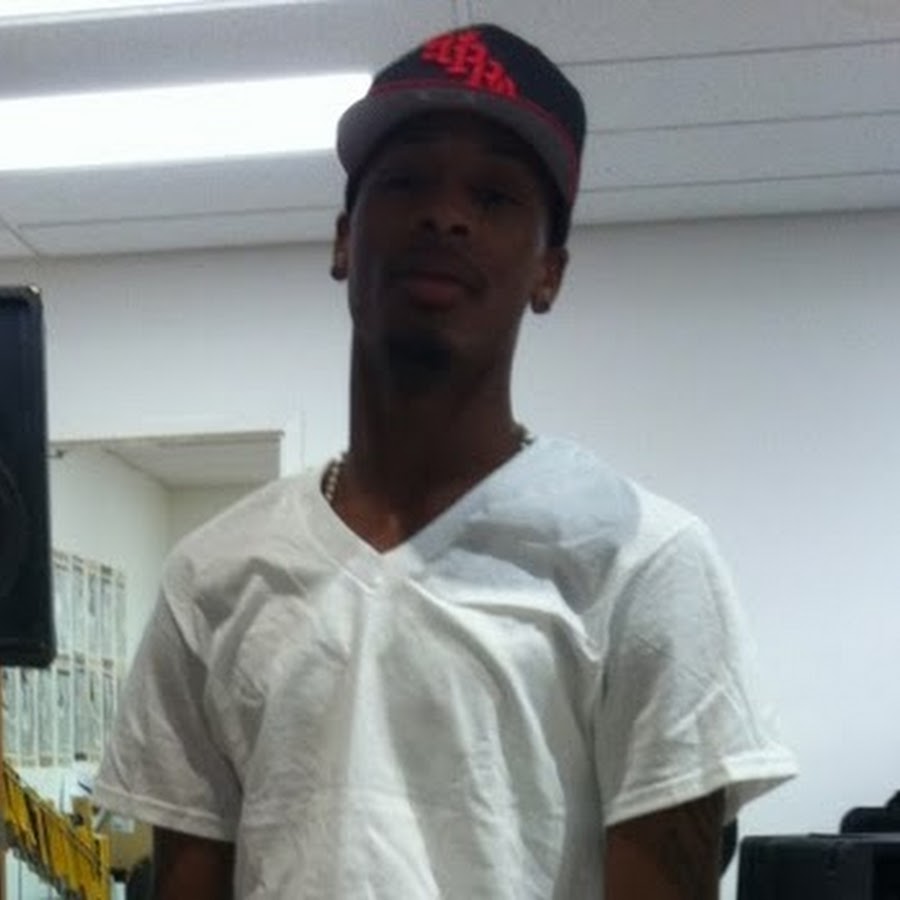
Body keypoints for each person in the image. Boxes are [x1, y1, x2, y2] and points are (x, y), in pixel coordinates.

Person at [94, 23, 797, 899]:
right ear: (344, 240)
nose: (445, 215)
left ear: (548, 273)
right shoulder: (215, 576)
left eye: (495, 196)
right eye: (405, 182)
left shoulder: (644, 563)